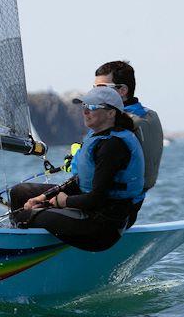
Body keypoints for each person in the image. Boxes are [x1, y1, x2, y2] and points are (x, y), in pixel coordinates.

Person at [9, 87, 144, 252]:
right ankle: (34, 244)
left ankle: (18, 257)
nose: (86, 111)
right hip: (88, 208)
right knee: (19, 193)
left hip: (102, 226)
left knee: (22, 216)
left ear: (111, 113)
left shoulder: (113, 146)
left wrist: (64, 202)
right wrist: (44, 197)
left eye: (93, 107)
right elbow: (79, 181)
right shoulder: (96, 138)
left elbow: (96, 199)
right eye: (84, 106)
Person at [63, 60, 163, 227]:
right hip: (130, 206)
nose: (95, 92)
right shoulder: (147, 116)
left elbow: (83, 171)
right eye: (94, 88)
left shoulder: (115, 124)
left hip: (108, 211)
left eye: (101, 87)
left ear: (122, 90)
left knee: (24, 196)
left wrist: (75, 159)